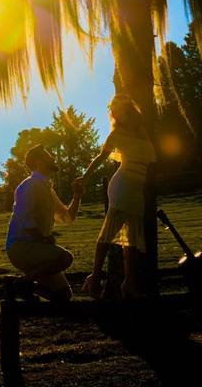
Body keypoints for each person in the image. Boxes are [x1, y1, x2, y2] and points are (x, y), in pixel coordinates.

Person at [80, 93, 157, 299]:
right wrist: (84, 177)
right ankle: (95, 276)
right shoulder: (116, 134)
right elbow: (100, 158)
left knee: (131, 238)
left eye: (121, 109)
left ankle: (129, 282)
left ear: (129, 111)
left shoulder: (142, 131)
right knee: (109, 231)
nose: (118, 113)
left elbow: (150, 159)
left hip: (136, 187)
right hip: (122, 185)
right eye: (116, 110)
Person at [5, 145, 85, 302]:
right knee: (65, 258)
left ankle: (17, 285)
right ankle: (24, 282)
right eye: (49, 156)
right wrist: (44, 238)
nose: (53, 158)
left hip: (37, 249)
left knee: (63, 295)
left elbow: (67, 217)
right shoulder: (29, 186)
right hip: (22, 247)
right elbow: (25, 220)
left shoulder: (46, 188)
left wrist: (76, 196)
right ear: (38, 162)